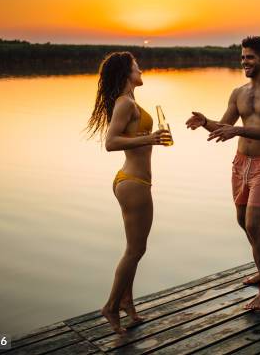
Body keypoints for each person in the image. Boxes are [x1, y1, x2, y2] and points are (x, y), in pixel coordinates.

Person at [185, 36, 260, 311]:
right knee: (242, 221)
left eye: (250, 57)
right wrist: (206, 122)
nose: (244, 61)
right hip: (240, 162)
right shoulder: (238, 92)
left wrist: (239, 130)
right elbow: (225, 127)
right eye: (243, 57)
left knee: (254, 223)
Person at [85, 52, 171, 334]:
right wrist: (151, 138)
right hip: (133, 182)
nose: (141, 70)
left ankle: (127, 304)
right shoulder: (124, 103)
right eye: (137, 67)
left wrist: (149, 137)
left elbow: (129, 136)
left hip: (134, 181)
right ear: (126, 74)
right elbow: (110, 143)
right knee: (136, 249)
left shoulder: (131, 102)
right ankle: (110, 306)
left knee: (136, 248)